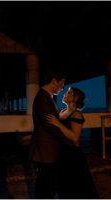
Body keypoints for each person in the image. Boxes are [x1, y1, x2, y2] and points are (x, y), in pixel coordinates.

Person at [46, 87, 99, 199]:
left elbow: (75, 137)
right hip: (62, 154)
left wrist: (57, 123)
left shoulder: (76, 115)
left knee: (75, 189)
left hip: (72, 157)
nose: (65, 94)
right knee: (64, 188)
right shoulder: (62, 112)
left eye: (69, 93)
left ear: (75, 98)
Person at [29, 70, 74, 199]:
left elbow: (54, 122)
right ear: (54, 81)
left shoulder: (47, 97)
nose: (62, 88)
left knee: (46, 185)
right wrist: (68, 141)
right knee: (46, 187)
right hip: (45, 152)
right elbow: (51, 126)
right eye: (61, 84)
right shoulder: (42, 98)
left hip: (46, 151)